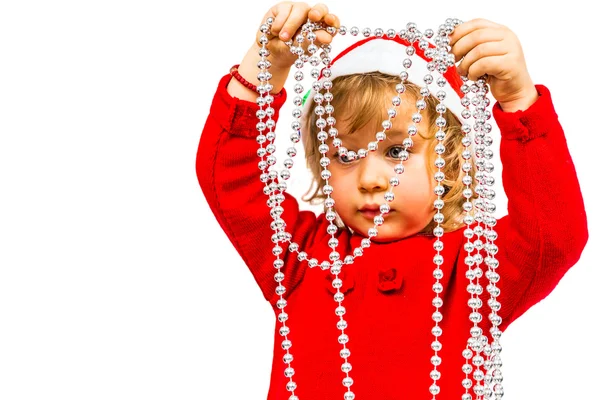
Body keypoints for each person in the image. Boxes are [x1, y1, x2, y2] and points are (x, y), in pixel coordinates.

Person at [196, 2, 588, 399]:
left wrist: (518, 99)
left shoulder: (472, 271)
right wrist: (262, 71)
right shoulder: (301, 258)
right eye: (345, 155)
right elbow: (230, 179)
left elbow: (553, 235)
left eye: (398, 152)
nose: (370, 180)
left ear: (450, 159)